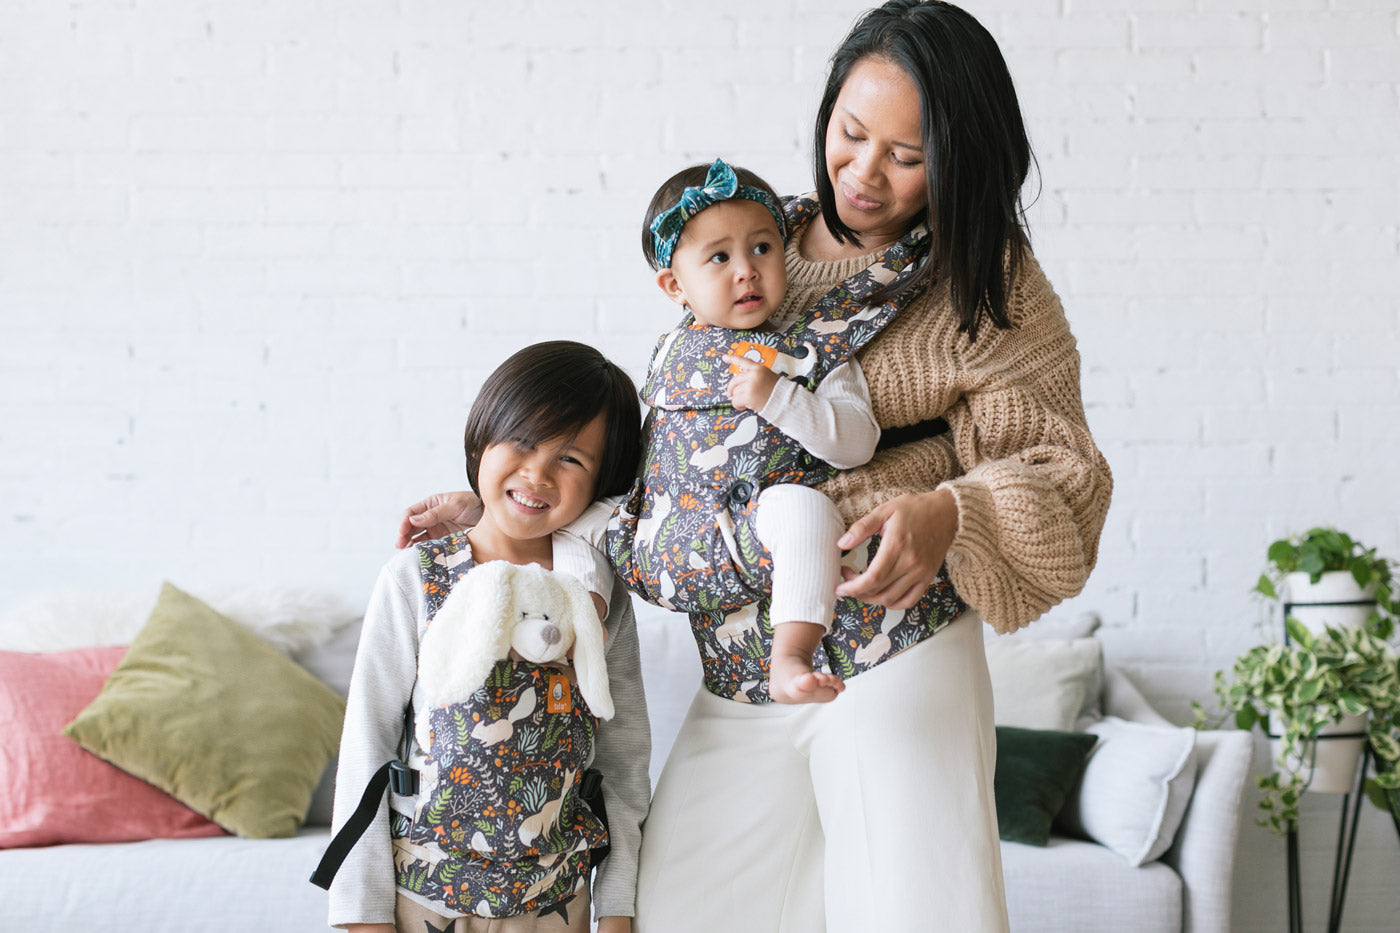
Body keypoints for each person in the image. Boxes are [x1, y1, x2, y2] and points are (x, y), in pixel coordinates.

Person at [399, 2, 1112, 929]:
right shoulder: (745, 238)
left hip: (895, 648)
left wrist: (953, 511)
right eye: (851, 134)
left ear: (963, 156)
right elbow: (681, 463)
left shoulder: (988, 281)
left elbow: (1064, 471)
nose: (863, 172)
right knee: (681, 908)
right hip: (739, 667)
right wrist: (506, 507)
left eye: (906, 154)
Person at [331, 341, 649, 933]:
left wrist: (619, 906)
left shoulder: (597, 601)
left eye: (572, 460)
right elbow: (366, 745)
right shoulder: (418, 578)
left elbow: (625, 762)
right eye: (524, 442)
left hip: (560, 903)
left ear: (602, 480)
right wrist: (360, 912)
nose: (538, 474)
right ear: (483, 437)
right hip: (427, 896)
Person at [568, 155, 884, 704]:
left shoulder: (813, 349)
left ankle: (790, 655)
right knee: (569, 508)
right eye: (719, 257)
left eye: (762, 248)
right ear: (675, 285)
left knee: (804, 508)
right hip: (667, 540)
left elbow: (857, 444)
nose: (747, 269)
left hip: (757, 535)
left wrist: (778, 397)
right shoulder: (668, 351)